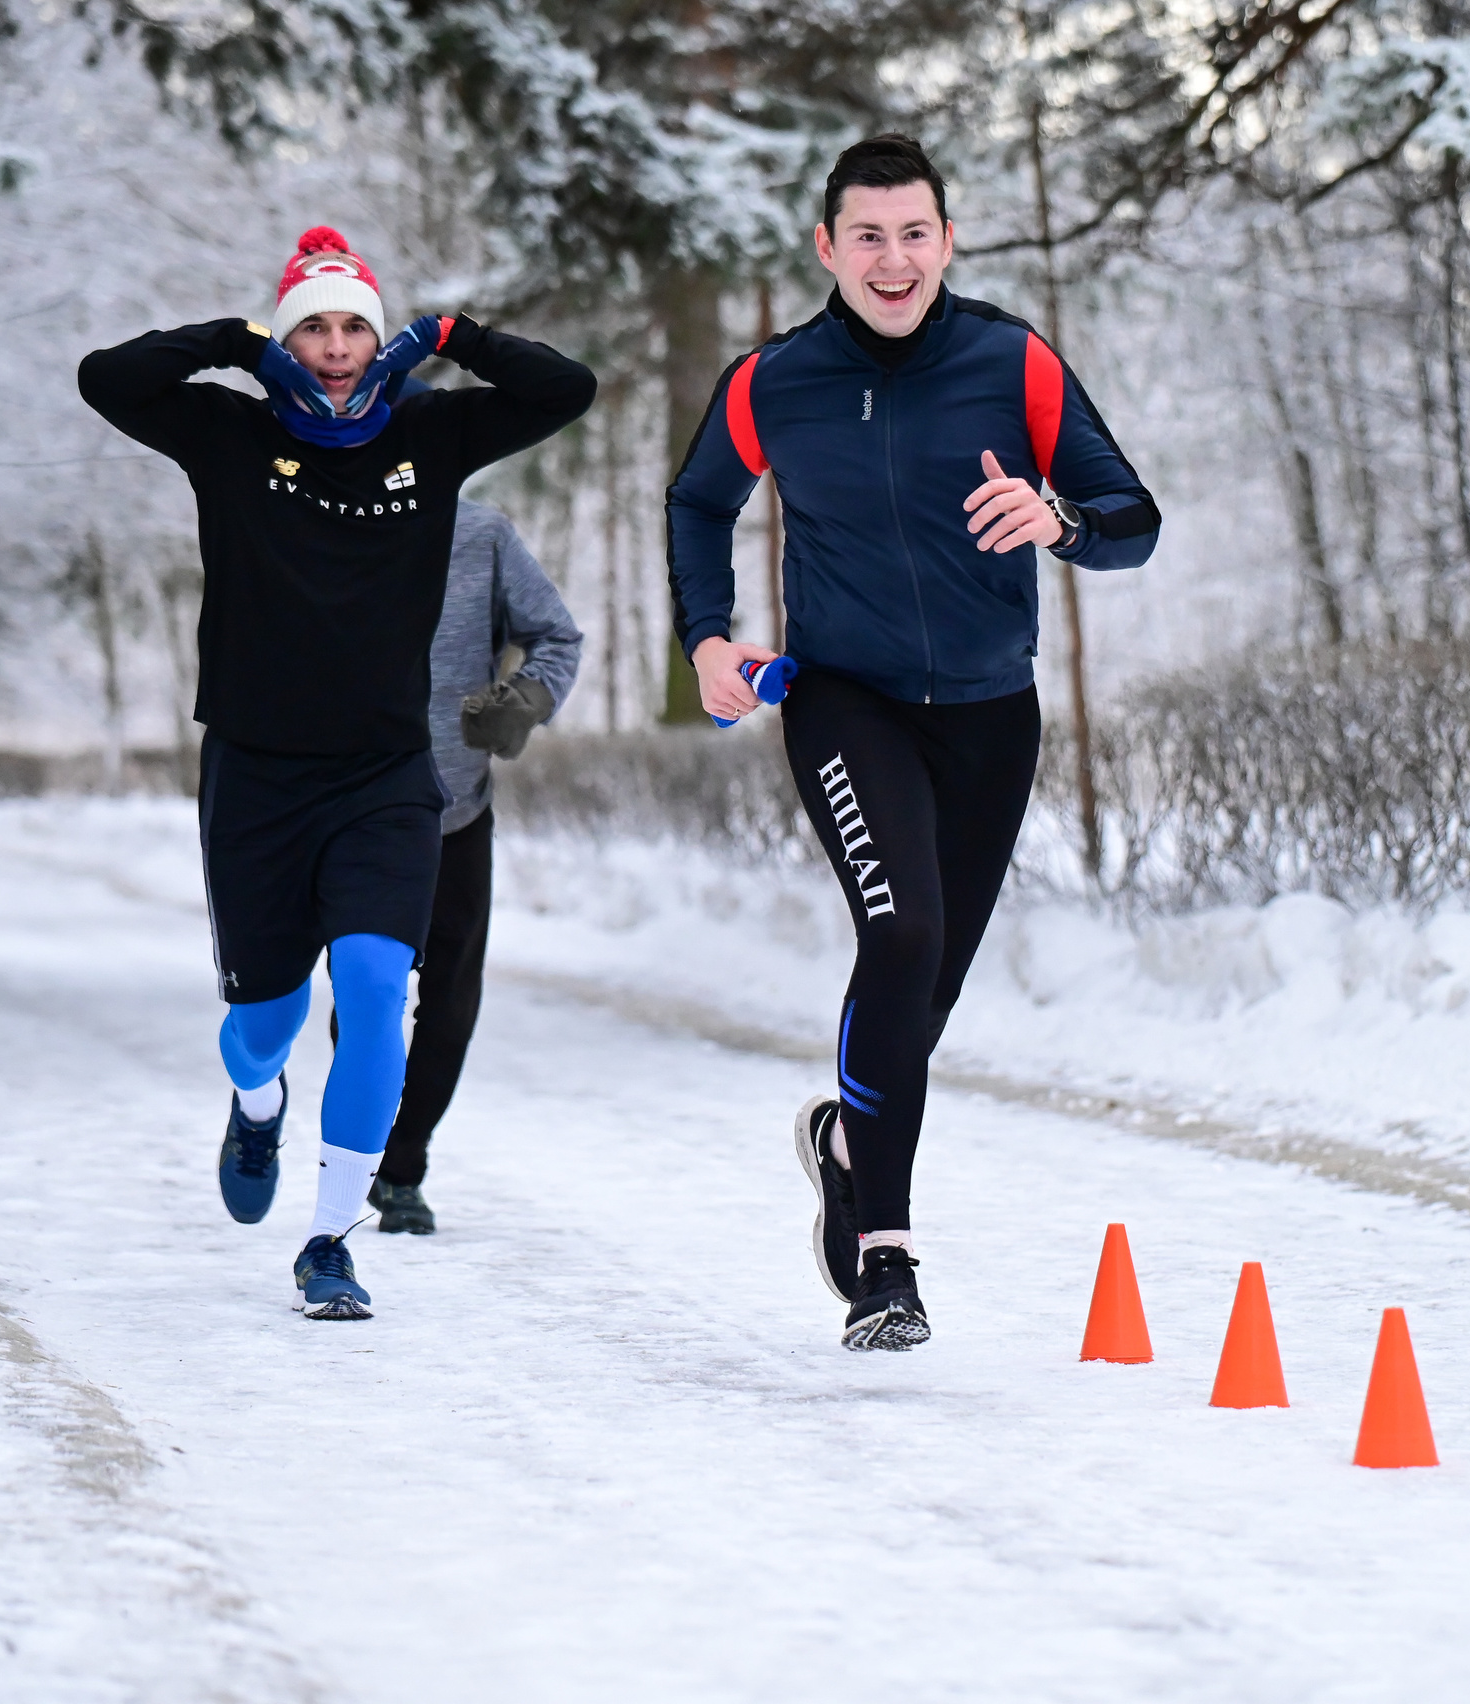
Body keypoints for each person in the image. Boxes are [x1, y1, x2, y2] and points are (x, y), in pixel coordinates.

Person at [666, 134, 1161, 1350]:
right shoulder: (771, 382)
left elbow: (1132, 521)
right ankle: (884, 1254)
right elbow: (696, 502)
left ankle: (845, 1141)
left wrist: (1057, 519)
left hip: (993, 713)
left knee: (923, 991)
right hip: (847, 701)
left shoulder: (1013, 361)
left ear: (948, 239)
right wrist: (707, 640)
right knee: (904, 933)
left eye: (915, 233)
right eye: (868, 236)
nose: (894, 261)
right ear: (827, 247)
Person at [79, 226, 595, 1321]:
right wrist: (230, 343)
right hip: (257, 778)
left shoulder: (431, 433)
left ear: (378, 336)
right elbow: (106, 379)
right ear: (289, 334)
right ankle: (255, 1101)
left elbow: (567, 387)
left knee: (375, 998)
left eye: (354, 325)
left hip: (383, 775)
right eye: (313, 325)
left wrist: (455, 337)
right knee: (263, 1020)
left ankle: (329, 1240)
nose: (334, 345)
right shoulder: (227, 433)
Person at [352, 499, 582, 1235]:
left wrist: (522, 701)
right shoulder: (321, 518)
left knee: (449, 1001)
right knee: (367, 994)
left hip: (456, 808)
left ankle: (402, 1164)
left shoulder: (478, 534)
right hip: (350, 807)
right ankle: (359, 1143)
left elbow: (556, 636)